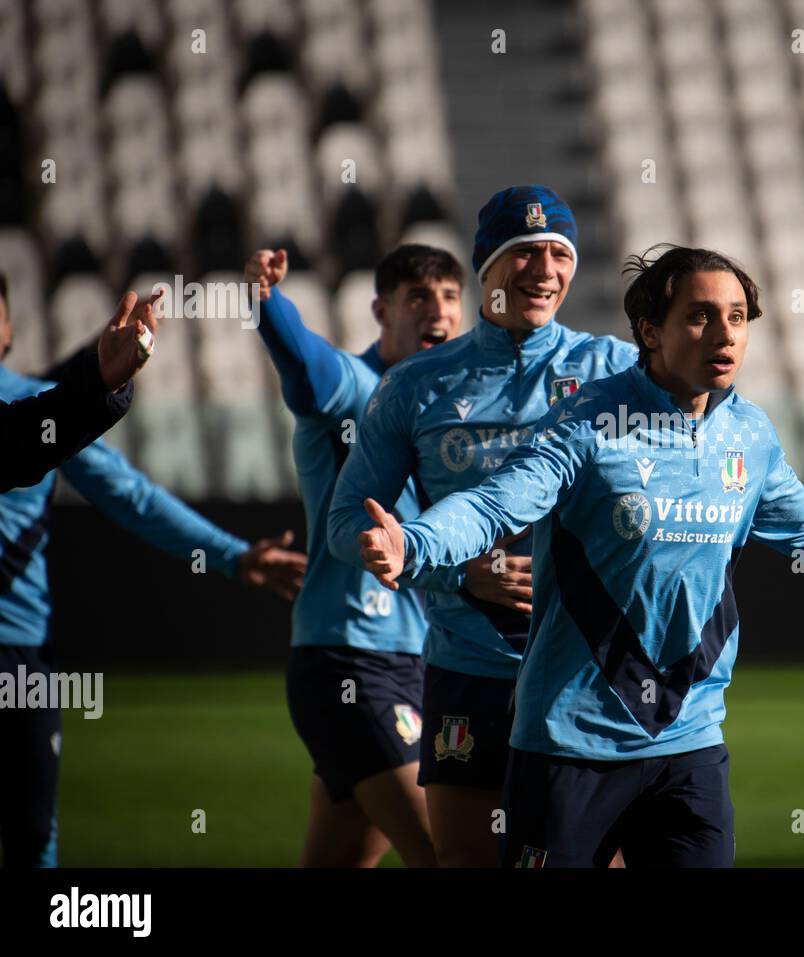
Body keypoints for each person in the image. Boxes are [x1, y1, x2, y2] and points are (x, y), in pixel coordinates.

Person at [348, 243, 804, 867]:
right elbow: (497, 503)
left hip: (689, 741)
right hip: (568, 742)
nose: (726, 333)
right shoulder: (588, 423)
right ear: (650, 329)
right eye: (702, 316)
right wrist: (414, 542)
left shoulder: (749, 432)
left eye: (737, 316)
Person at [328, 185, 640, 866]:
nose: (545, 268)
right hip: (469, 673)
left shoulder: (615, 372)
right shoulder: (415, 384)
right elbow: (346, 519)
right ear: (487, 267)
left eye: (559, 252)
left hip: (586, 676)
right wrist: (434, 562)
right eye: (524, 252)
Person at [0, 284, 305, 868]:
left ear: (11, 332)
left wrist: (231, 554)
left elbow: (131, 497)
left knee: (32, 835)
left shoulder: (39, 407)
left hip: (16, 659)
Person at [244, 244, 465, 867]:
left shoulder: (442, 414)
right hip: (351, 662)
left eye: (450, 296)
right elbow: (308, 369)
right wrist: (266, 303)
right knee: (452, 854)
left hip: (416, 663)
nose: (439, 311)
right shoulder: (357, 387)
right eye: (418, 297)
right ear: (380, 310)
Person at [0, 280, 156, 492]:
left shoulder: (36, 396)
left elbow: (23, 437)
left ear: (10, 331)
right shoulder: (40, 398)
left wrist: (101, 375)